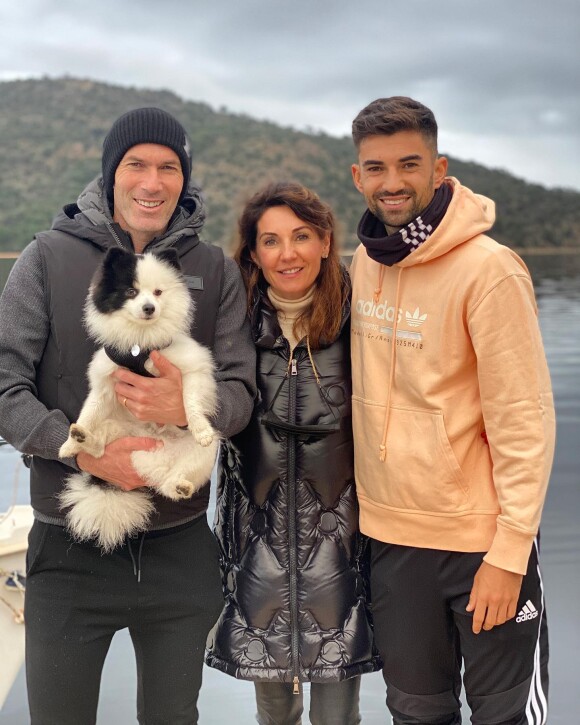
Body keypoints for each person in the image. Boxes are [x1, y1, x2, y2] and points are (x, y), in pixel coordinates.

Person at [0, 107, 256, 725]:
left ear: (184, 178)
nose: (152, 181)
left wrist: (191, 406)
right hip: (68, 550)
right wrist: (82, 449)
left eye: (168, 167)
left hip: (181, 550)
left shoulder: (215, 271)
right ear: (111, 173)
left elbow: (244, 392)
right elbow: (4, 386)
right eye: (136, 164)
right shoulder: (47, 258)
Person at [348, 96, 556, 725]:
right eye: (376, 168)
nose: (392, 183)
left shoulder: (489, 271)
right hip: (391, 542)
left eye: (408, 165)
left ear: (439, 169)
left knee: (504, 718)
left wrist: (509, 554)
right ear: (357, 176)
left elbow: (524, 420)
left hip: (480, 545)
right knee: (417, 714)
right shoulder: (363, 260)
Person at [205, 181, 381, 725]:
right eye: (271, 241)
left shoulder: (365, 317)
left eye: (301, 236)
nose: (288, 254)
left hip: (343, 541)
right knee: (273, 711)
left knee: (338, 713)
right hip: (255, 539)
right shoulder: (228, 324)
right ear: (253, 252)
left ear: (326, 241)